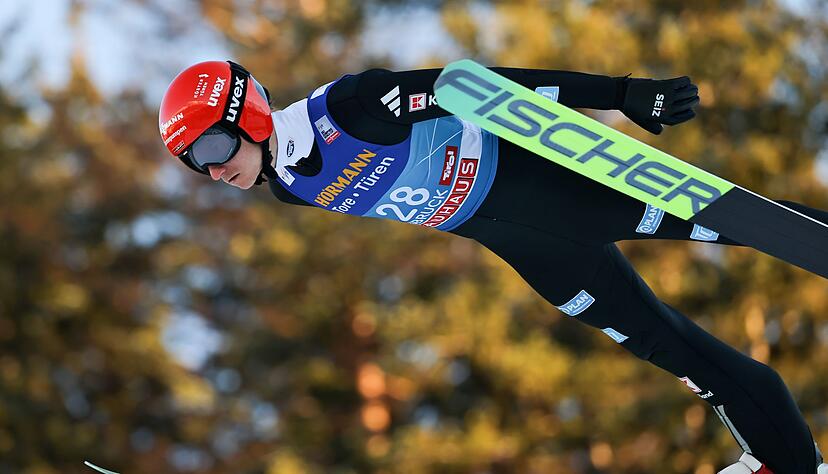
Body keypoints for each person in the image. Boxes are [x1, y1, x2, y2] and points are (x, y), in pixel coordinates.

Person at [158, 60, 828, 474]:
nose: (213, 169)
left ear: (245, 112)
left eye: (212, 145)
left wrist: (619, 94)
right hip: (527, 247)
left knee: (742, 221)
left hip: (555, 188)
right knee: (666, 345)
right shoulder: (284, 184)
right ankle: (785, 460)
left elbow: (480, 87)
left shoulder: (351, 109)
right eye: (194, 163)